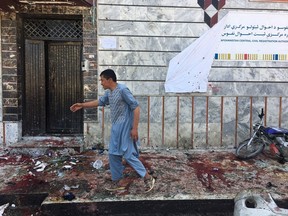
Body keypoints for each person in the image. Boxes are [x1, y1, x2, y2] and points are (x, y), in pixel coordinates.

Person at [70, 69, 155, 192]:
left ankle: (148, 178)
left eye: (102, 80)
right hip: (116, 128)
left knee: (128, 154)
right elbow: (100, 102)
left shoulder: (122, 90)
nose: (101, 83)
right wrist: (81, 105)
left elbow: (136, 108)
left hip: (126, 128)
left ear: (110, 80)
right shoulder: (109, 93)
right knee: (113, 154)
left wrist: (134, 128)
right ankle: (118, 181)